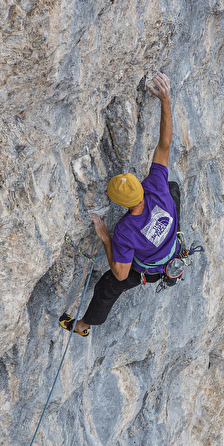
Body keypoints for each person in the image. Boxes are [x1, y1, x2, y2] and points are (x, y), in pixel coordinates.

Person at [60, 73, 180, 335]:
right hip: (172, 243)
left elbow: (122, 274)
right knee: (173, 190)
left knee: (107, 287)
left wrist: (106, 239)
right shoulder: (156, 186)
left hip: (152, 267)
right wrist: (165, 100)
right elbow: (165, 143)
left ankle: (81, 326)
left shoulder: (125, 231)